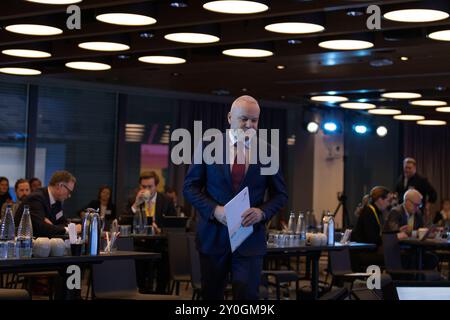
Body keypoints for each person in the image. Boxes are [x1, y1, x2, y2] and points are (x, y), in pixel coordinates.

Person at [183, 95, 288, 300]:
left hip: (250, 238)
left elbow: (281, 194)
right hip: (213, 238)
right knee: (211, 297)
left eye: (254, 120)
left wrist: (262, 212)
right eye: (243, 119)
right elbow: (189, 187)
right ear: (230, 117)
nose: (249, 124)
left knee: (247, 298)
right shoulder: (208, 146)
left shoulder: (268, 151)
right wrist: (215, 210)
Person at [126, 171, 176, 294]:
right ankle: (141, 290)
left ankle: (160, 292)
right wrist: (136, 204)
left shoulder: (166, 201)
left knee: (165, 259)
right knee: (137, 259)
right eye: (143, 186)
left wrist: (159, 230)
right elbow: (124, 221)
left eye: (150, 186)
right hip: (140, 244)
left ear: (156, 186)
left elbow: (173, 225)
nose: (146, 189)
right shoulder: (134, 199)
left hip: (160, 243)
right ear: (140, 186)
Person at [15, 171, 81, 237]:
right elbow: (41, 228)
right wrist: (69, 230)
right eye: (69, 191)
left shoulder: (57, 200)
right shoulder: (36, 198)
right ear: (60, 186)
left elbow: (62, 223)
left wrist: (51, 227)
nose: (69, 195)